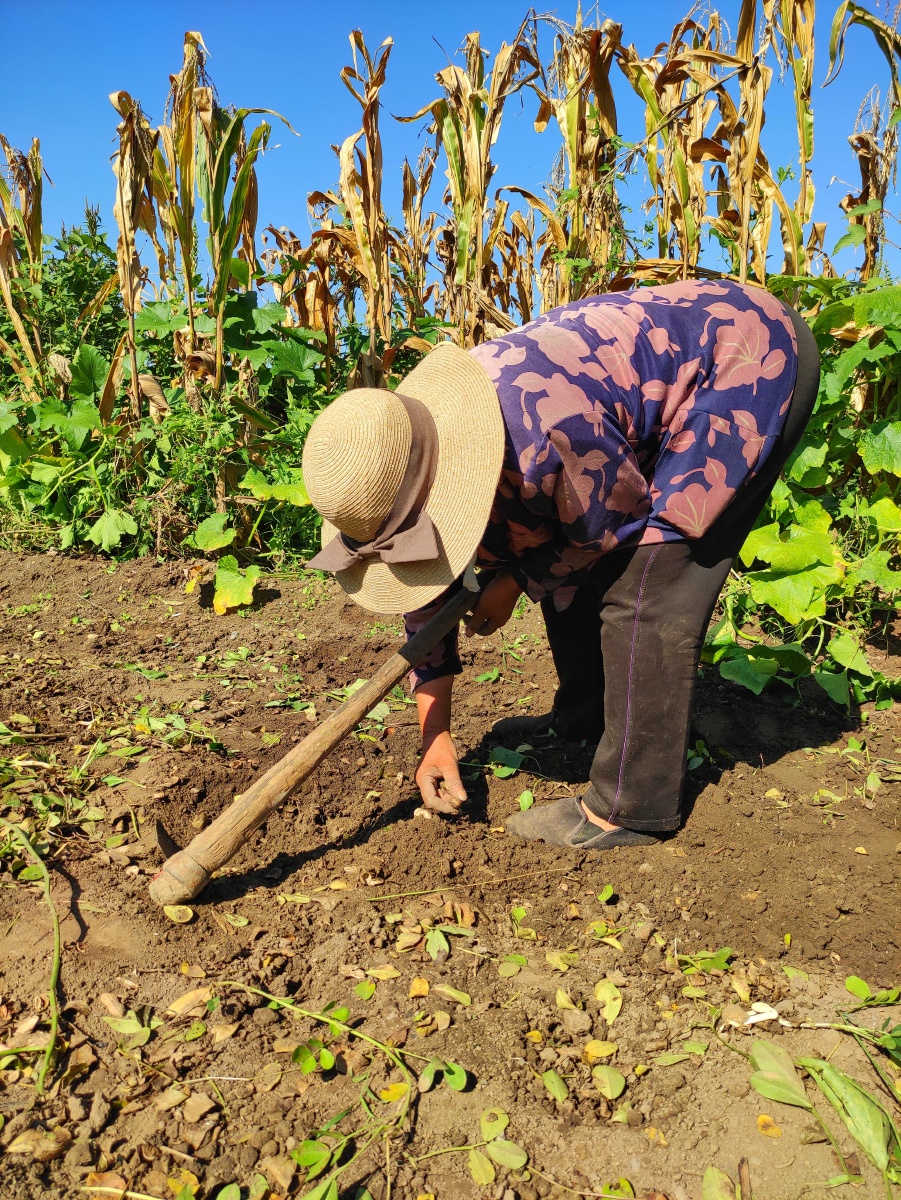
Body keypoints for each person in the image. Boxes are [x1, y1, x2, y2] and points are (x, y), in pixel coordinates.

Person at [302, 279, 820, 851]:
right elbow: (424, 592)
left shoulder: (542, 435)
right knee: (555, 550)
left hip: (741, 360)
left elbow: (614, 526)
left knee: (650, 579)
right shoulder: (400, 460)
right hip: (628, 401)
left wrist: (514, 580)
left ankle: (629, 806)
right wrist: (436, 737)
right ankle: (585, 719)